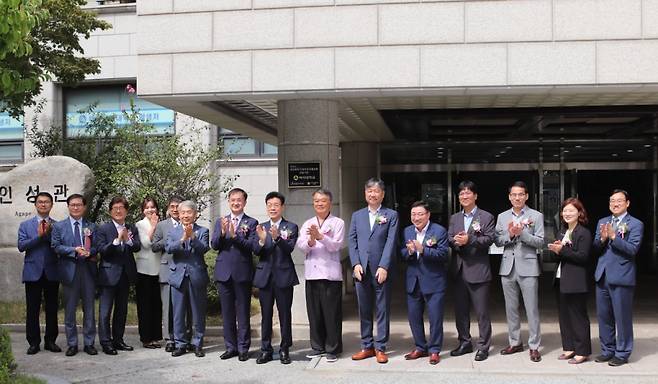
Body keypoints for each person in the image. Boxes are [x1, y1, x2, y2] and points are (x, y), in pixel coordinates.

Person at [348, 178, 399, 364]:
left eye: (376, 191)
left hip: (380, 270)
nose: (372, 194)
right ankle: (366, 345)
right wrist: (355, 264)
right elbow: (352, 241)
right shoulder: (357, 215)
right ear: (365, 193)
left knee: (382, 309)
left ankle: (381, 347)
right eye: (369, 191)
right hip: (361, 270)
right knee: (364, 309)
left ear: (382, 194)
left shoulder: (391, 215)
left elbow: (391, 242)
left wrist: (384, 266)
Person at [592, 189, 644, 366]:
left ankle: (622, 353)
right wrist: (603, 239)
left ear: (627, 203)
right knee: (603, 316)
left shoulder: (635, 224)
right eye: (612, 201)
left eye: (619, 201)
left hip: (622, 276)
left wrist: (614, 237)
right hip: (602, 274)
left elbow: (632, 249)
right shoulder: (603, 221)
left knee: (622, 317)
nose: (615, 204)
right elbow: (596, 248)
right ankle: (607, 350)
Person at [494, 181, 544, 362]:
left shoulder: (536, 216)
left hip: (529, 267)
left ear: (526, 196)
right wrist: (511, 234)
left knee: (532, 309)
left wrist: (522, 233)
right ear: (509, 197)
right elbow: (498, 241)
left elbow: (540, 242)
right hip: (507, 267)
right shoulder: (502, 216)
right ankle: (515, 342)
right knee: (511, 309)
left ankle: (534, 346)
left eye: (521, 194)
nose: (517, 198)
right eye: (514, 195)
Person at [447, 181, 495, 362]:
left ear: (475, 196)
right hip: (459, 270)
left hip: (478, 270)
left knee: (482, 312)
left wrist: (470, 239)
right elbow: (449, 237)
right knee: (460, 311)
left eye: (468, 193)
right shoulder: (454, 218)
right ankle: (465, 342)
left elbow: (490, 238)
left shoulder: (486, 216)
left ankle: (483, 346)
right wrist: (456, 241)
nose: (464, 196)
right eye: (461, 194)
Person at [296, 188, 345, 363]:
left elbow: (336, 246)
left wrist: (320, 236)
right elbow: (301, 246)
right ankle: (317, 347)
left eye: (323, 201)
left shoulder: (338, 222)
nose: (319, 204)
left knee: (331, 314)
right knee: (315, 313)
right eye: (316, 201)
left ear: (329, 203)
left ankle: (333, 348)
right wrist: (310, 240)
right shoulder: (308, 223)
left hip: (330, 275)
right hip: (312, 274)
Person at [211, 188, 258, 361]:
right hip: (224, 272)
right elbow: (215, 245)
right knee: (227, 312)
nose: (235, 203)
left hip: (242, 272)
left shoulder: (251, 223)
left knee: (243, 312)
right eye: (232, 200)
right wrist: (223, 233)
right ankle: (230, 347)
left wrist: (235, 236)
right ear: (228, 201)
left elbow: (252, 247)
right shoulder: (220, 221)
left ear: (244, 202)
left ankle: (243, 347)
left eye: (239, 200)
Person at [400, 200, 449, 365]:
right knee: (414, 317)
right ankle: (420, 347)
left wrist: (423, 250)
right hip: (413, 281)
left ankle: (434, 350)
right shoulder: (407, 231)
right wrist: (409, 252)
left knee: (435, 318)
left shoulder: (439, 231)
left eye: (420, 214)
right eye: (413, 214)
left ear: (428, 215)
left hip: (434, 281)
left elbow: (443, 254)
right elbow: (401, 253)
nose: (416, 217)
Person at [253, 192, 299, 365]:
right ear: (266, 207)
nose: (272, 207)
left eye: (276, 204)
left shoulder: (291, 227)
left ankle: (285, 349)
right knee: (266, 314)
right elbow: (255, 251)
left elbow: (289, 249)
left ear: (282, 207)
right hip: (265, 276)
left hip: (284, 276)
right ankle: (265, 349)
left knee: (285, 314)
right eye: (269, 204)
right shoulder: (260, 227)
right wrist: (262, 241)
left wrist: (277, 238)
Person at [51, 194, 99, 357]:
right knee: (70, 310)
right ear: (68, 206)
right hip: (69, 271)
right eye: (73, 205)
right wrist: (73, 250)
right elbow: (56, 246)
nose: (76, 207)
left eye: (79, 205)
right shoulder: (59, 226)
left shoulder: (91, 226)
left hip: (87, 271)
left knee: (89, 310)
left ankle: (89, 343)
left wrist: (89, 252)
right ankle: (72, 344)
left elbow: (97, 246)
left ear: (84, 207)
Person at [548, 197, 592, 365]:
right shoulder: (562, 231)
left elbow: (583, 257)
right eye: (565, 211)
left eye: (571, 210)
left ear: (579, 213)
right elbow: (557, 256)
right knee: (564, 316)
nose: (567, 213)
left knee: (578, 316)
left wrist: (563, 250)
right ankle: (569, 347)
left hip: (576, 281)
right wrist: (555, 250)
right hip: (560, 279)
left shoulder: (583, 232)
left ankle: (583, 351)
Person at [95, 196, 140, 355]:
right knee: (105, 311)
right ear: (110, 211)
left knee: (122, 310)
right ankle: (106, 342)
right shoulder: (103, 229)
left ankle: (118, 340)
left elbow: (137, 247)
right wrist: (116, 241)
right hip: (108, 274)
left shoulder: (131, 228)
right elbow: (102, 250)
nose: (119, 211)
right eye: (115, 208)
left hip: (126, 274)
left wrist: (127, 240)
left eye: (122, 208)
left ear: (126, 211)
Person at [17, 191, 61, 355]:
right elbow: (21, 246)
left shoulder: (57, 225)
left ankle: (50, 341)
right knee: (32, 309)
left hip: (52, 271)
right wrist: (39, 236)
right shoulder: (25, 225)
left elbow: (58, 246)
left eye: (47, 202)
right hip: (32, 272)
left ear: (51, 205)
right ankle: (34, 342)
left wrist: (48, 236)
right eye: (40, 202)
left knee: (52, 308)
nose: (43, 204)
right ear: (35, 205)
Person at [165, 200, 210, 358]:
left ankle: (197, 343)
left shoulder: (203, 230)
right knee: (178, 313)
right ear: (178, 214)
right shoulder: (173, 231)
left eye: (189, 212)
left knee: (198, 312)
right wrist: (183, 239)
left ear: (195, 214)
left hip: (196, 275)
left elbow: (204, 248)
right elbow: (169, 248)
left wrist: (193, 238)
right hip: (178, 276)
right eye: (183, 212)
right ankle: (180, 343)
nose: (185, 215)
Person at [152, 196, 191, 353]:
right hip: (167, 269)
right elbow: (154, 246)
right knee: (168, 308)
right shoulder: (162, 226)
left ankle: (186, 337)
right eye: (172, 206)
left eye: (178, 207)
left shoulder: (189, 224)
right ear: (168, 208)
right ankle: (170, 338)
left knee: (185, 307)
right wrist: (169, 241)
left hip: (184, 270)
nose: (175, 209)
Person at [134, 197, 163, 349]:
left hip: (159, 269)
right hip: (144, 270)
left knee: (156, 305)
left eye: (153, 207)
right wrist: (152, 227)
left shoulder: (163, 223)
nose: (150, 210)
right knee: (145, 306)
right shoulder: (139, 224)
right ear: (142, 210)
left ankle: (156, 336)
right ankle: (146, 338)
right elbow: (146, 244)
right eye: (147, 207)